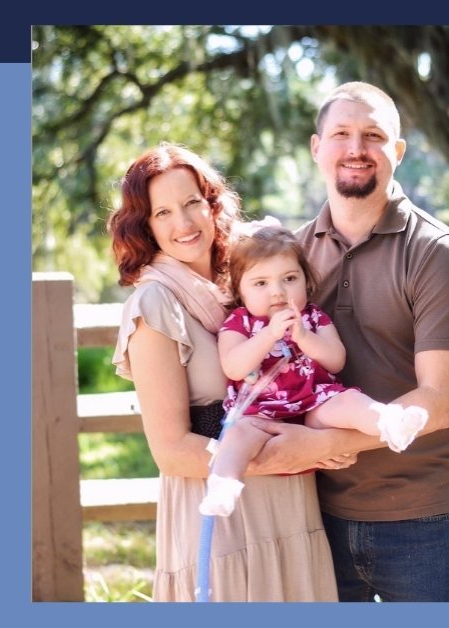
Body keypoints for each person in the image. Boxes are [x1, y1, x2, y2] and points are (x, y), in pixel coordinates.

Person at [252, 81, 449, 602]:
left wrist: (326, 444)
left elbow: (439, 402)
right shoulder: (293, 257)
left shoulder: (436, 254)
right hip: (314, 514)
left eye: (373, 135)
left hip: (418, 517)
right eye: (341, 134)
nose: (356, 149)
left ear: (396, 152)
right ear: (317, 148)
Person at [108, 142, 344, 602]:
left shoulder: (248, 283)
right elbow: (172, 452)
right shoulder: (154, 305)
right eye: (163, 212)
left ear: (212, 205)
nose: (184, 223)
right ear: (145, 226)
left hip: (291, 508)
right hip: (223, 521)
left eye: (192, 202)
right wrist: (298, 454)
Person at [197, 225, 428, 517]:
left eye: (289, 279)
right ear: (239, 290)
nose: (278, 291)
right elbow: (234, 366)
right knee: (237, 437)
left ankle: (390, 422)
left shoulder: (313, 317)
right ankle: (223, 487)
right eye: (261, 283)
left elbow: (336, 361)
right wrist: (268, 335)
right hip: (259, 413)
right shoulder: (238, 323)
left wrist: (304, 337)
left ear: (306, 282)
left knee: (347, 401)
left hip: (315, 404)